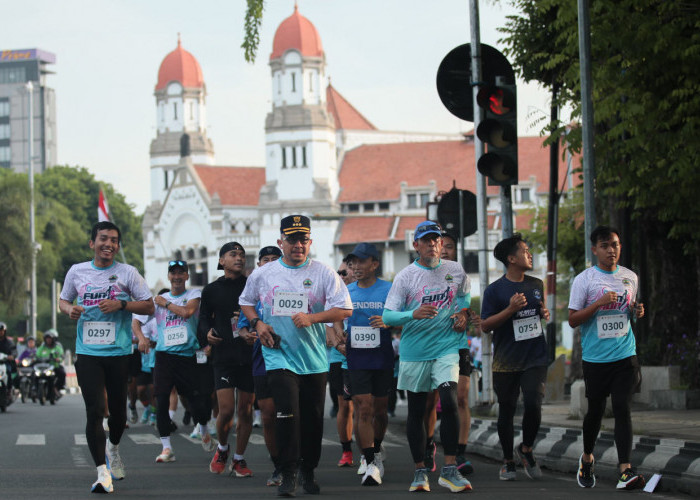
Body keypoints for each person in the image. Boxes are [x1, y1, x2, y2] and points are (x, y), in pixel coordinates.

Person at [239, 214, 352, 496]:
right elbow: (246, 302)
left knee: (312, 419)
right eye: (292, 240)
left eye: (303, 239)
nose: (298, 245)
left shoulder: (323, 272)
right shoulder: (264, 274)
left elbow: (345, 309)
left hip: (313, 360)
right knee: (286, 413)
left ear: (310, 242)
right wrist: (258, 323)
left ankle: (308, 470)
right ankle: (287, 471)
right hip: (278, 355)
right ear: (281, 242)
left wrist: (314, 318)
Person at [59, 221, 154, 494]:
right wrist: (69, 311)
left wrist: (121, 304)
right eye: (103, 239)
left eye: (114, 240)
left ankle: (113, 448)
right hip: (88, 352)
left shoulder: (128, 273)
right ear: (92, 243)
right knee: (95, 410)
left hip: (119, 352)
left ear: (118, 246)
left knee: (118, 414)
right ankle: (102, 472)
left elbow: (148, 305)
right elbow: (64, 300)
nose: (108, 244)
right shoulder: (77, 271)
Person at [382, 221, 475, 493]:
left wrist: (462, 313)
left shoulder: (455, 269)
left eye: (437, 240)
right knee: (418, 411)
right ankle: (420, 470)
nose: (433, 245)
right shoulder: (406, 277)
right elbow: (388, 316)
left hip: (446, 348)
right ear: (416, 245)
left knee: (449, 400)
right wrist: (413, 314)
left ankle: (449, 469)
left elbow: (465, 296)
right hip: (415, 352)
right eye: (427, 240)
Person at [568, 226, 646, 490]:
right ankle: (587, 457)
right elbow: (572, 320)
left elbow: (631, 311)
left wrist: (638, 311)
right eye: (605, 246)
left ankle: (625, 469)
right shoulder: (584, 280)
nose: (611, 250)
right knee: (596, 411)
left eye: (615, 244)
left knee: (622, 406)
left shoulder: (630, 277)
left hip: (625, 354)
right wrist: (598, 304)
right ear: (595, 250)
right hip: (596, 359)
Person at [480, 234, 550, 481]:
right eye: (524, 251)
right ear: (511, 259)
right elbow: (486, 326)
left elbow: (537, 311)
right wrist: (510, 309)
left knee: (533, 403)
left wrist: (542, 312)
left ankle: (526, 449)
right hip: (506, 361)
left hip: (535, 356)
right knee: (506, 411)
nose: (529, 254)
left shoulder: (536, 284)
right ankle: (508, 460)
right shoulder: (494, 290)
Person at [136, 260, 214, 464]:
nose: (177, 277)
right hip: (164, 356)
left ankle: (204, 429)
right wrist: (142, 338)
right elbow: (137, 320)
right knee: (161, 400)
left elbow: (188, 312)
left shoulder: (193, 295)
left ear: (187, 276)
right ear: (168, 276)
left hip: (188, 356)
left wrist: (167, 305)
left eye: (181, 273)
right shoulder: (159, 299)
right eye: (173, 273)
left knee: (195, 403)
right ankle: (166, 448)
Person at [198, 242, 255, 477]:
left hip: (249, 355)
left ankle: (239, 459)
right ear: (221, 261)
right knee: (226, 410)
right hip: (223, 355)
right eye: (233, 255)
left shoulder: (252, 285)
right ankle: (222, 448)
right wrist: (207, 334)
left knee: (246, 410)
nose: (239, 258)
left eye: (242, 255)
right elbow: (202, 319)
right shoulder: (211, 289)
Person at [341, 243, 393, 486]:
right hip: (357, 357)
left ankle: (378, 448)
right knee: (363, 407)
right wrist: (338, 339)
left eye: (362, 261)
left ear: (375, 264)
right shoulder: (346, 291)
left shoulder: (389, 289)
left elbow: (401, 318)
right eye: (354, 262)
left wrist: (388, 321)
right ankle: (370, 460)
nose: (356, 266)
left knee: (380, 411)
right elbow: (335, 320)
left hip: (382, 355)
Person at [237, 245, 284, 487]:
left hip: (294, 360)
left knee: (292, 414)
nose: (269, 263)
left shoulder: (293, 286)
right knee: (268, 415)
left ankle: (297, 463)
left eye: (275, 259)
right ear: (258, 265)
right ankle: (278, 465)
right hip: (262, 360)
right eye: (265, 260)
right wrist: (246, 333)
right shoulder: (252, 296)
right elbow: (243, 325)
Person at [440, 232, 476, 474]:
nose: (444, 250)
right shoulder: (418, 276)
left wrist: (464, 315)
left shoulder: (461, 276)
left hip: (458, 343)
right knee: (435, 402)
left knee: (461, 397)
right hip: (431, 346)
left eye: (449, 246)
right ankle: (427, 448)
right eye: (440, 246)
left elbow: (466, 304)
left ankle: (460, 453)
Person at [328, 258, 355, 468]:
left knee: (367, 405)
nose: (343, 276)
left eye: (346, 272)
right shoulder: (333, 296)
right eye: (341, 273)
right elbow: (328, 328)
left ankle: (371, 443)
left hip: (366, 358)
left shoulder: (368, 293)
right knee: (344, 405)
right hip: (338, 359)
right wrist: (339, 345)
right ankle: (346, 450)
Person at [36, 329, 66, 393]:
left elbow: (62, 356)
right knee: (34, 374)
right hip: (43, 367)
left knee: (62, 373)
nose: (48, 340)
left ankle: (57, 388)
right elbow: (37, 355)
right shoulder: (42, 348)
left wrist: (58, 359)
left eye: (50, 338)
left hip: (54, 366)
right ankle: (34, 388)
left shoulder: (57, 348)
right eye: (47, 338)